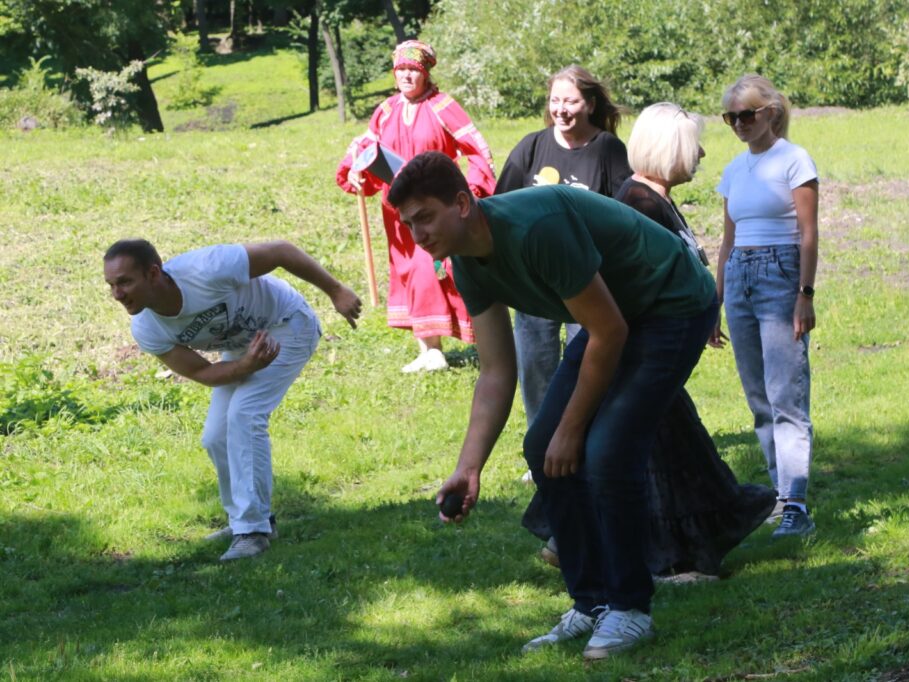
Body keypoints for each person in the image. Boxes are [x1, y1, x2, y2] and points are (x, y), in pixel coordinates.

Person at [388, 151, 717, 660]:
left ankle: (630, 609)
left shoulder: (536, 228)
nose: (418, 233)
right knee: (542, 446)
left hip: (672, 302)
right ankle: (592, 603)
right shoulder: (467, 262)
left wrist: (573, 427)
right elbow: (497, 370)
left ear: (462, 202)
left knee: (607, 452)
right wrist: (469, 467)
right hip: (616, 314)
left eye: (425, 217)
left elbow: (609, 332)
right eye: (409, 224)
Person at [102, 239, 361, 561]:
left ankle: (252, 531)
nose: (117, 294)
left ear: (154, 273)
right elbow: (201, 372)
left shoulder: (206, 269)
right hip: (245, 349)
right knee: (215, 436)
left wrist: (336, 291)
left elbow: (281, 251)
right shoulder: (147, 327)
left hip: (287, 324)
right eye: (111, 285)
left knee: (245, 415)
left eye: (125, 282)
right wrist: (244, 365)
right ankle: (246, 517)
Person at [614, 103, 777, 580]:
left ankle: (683, 547)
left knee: (682, 451)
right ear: (670, 151)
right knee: (666, 460)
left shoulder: (656, 198)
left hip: (663, 355)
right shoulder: (639, 205)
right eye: (693, 147)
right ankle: (671, 560)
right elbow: (636, 287)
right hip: (646, 356)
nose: (702, 153)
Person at [336, 39, 496, 373]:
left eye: (414, 70)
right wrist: (354, 168)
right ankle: (427, 348)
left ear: (425, 74)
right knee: (408, 269)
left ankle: (452, 345)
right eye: (402, 70)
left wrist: (474, 188)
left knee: (434, 268)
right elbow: (366, 146)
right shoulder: (387, 110)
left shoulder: (442, 106)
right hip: (396, 212)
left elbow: (477, 148)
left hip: (435, 205)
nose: (407, 76)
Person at [712, 74, 820, 537]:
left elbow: (809, 234)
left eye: (747, 115)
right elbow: (726, 241)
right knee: (758, 396)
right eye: (731, 117)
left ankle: (796, 503)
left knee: (786, 395)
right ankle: (780, 496)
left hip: (780, 275)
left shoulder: (794, 160)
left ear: (770, 113)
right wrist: (714, 303)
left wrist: (805, 294)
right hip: (740, 278)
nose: (739, 124)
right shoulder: (735, 169)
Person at [495, 64, 630, 424]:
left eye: (570, 101)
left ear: (588, 103)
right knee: (536, 368)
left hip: (589, 281)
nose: (561, 110)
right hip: (535, 280)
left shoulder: (608, 150)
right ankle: (541, 444)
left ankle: (583, 439)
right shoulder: (531, 147)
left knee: (584, 365)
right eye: (555, 101)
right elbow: (499, 207)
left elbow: (628, 213)